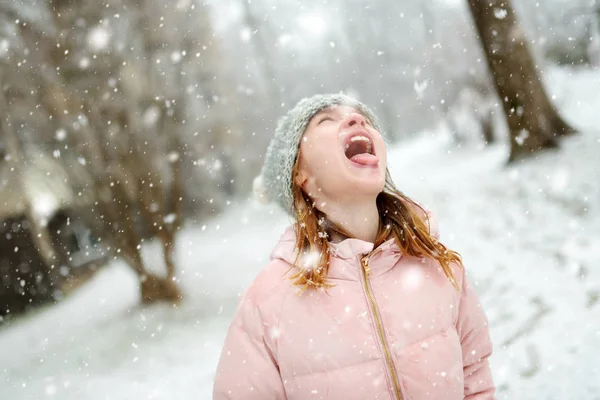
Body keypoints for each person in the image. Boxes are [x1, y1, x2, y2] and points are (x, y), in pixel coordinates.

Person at [213, 94, 495, 400]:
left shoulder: (434, 261)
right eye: (326, 120)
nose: (356, 119)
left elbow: (475, 378)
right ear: (300, 175)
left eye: (362, 118)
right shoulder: (268, 302)